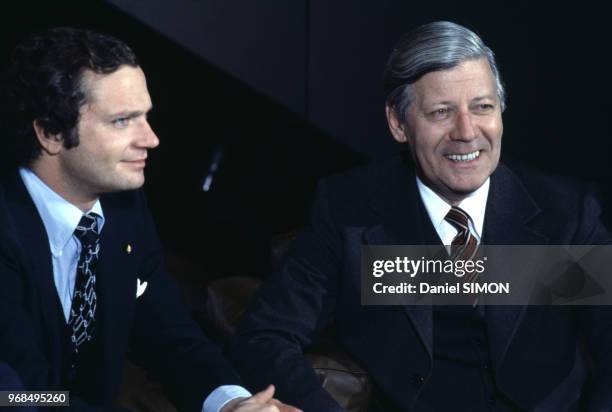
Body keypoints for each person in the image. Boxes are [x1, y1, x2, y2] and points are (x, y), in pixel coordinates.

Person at [230, 21, 612, 411]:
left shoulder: (568, 213)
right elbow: (265, 336)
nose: (466, 132)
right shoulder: (347, 208)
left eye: (483, 107)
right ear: (398, 124)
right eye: (441, 112)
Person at [0, 27, 300, 412]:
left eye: (146, 116)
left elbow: (169, 333)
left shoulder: (125, 207)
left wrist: (232, 404)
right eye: (123, 120)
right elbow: (24, 397)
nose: (152, 138)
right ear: (51, 133)